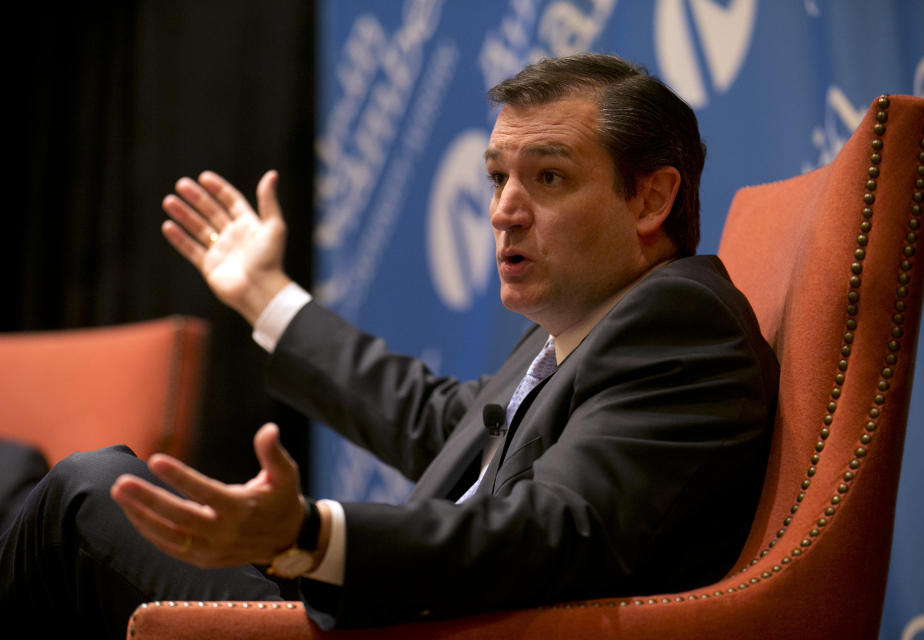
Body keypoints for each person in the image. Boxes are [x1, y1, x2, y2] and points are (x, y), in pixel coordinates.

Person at [0, 53, 778, 637]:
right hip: (394, 617)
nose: (504, 210)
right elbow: (439, 422)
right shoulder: (582, 333)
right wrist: (268, 299)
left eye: (547, 178)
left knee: (87, 493)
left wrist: (308, 535)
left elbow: (554, 531)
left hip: (418, 629)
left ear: (652, 198)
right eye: (497, 176)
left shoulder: (678, 326)